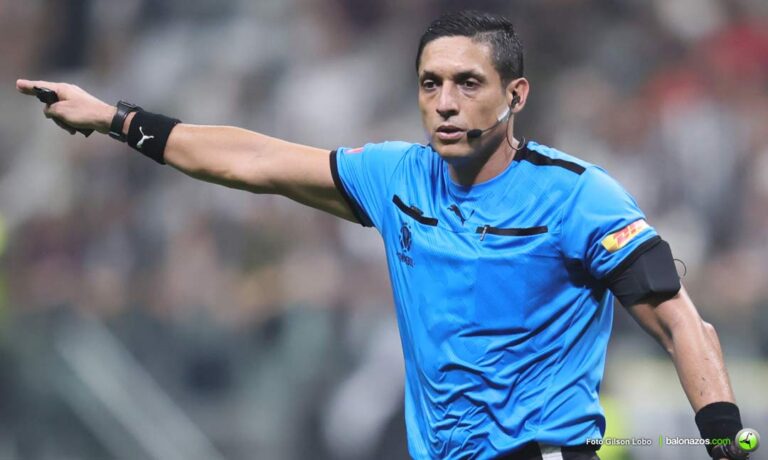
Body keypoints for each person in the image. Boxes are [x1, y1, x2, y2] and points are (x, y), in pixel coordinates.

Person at [16, 10, 752, 460]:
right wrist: (116, 119)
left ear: (515, 95)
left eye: (468, 83)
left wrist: (723, 436)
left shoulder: (579, 196)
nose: (445, 103)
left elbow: (681, 322)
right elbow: (254, 160)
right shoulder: (397, 176)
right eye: (431, 84)